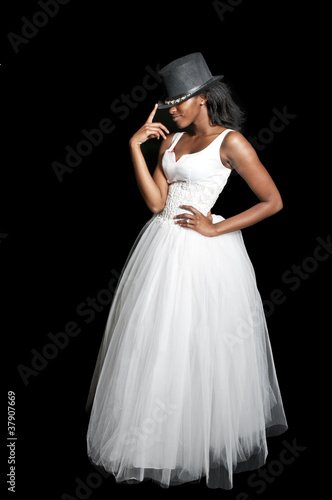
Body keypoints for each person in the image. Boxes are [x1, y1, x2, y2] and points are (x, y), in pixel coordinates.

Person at [86, 53, 287, 489]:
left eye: (180, 100)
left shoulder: (230, 142)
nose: (172, 108)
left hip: (204, 252)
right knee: (159, 344)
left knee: (201, 345)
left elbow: (272, 201)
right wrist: (134, 147)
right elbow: (158, 203)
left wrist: (216, 229)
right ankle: (157, 443)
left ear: (204, 98)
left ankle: (202, 439)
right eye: (169, 100)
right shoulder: (170, 142)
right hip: (161, 245)